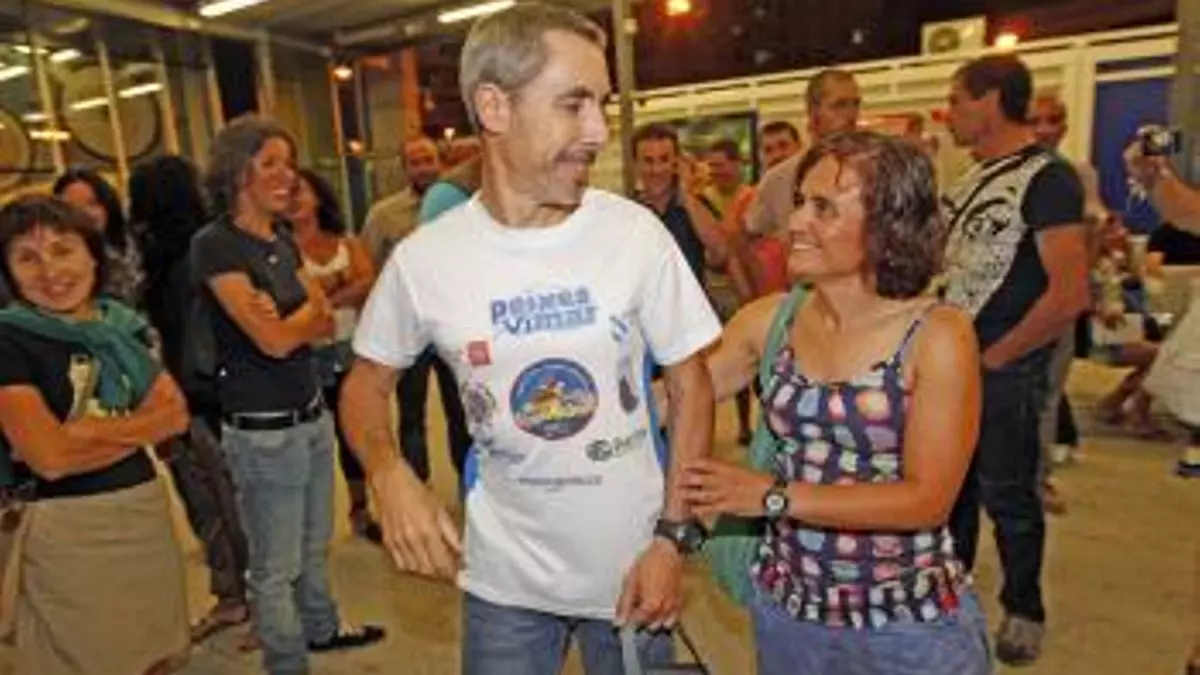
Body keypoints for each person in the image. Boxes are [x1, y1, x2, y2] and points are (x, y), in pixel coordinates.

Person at [340, 5, 720, 674]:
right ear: (494, 106)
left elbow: (692, 384)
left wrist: (672, 537)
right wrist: (387, 470)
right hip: (502, 586)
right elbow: (365, 386)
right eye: (574, 104)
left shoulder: (634, 234)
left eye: (601, 105)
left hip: (634, 568)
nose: (599, 130)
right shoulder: (426, 260)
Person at [674, 130, 989, 675]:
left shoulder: (937, 335)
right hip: (788, 619)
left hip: (906, 626)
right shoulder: (773, 320)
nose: (796, 222)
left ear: (888, 225)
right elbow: (677, 397)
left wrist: (772, 496)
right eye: (800, 202)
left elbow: (926, 500)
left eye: (823, 208)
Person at [191, 115, 384, 675]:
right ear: (237, 171)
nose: (287, 175)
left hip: (311, 415)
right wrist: (292, 321)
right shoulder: (216, 245)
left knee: (315, 541)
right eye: (270, 163)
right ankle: (286, 660)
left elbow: (322, 319)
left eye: (289, 163)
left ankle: (321, 628)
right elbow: (273, 340)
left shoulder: (278, 239)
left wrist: (287, 317)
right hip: (263, 430)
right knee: (275, 567)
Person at [0, 195, 191, 675]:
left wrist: (89, 432)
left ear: (92, 255)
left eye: (63, 250)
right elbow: (49, 460)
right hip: (66, 529)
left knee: (154, 652)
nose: (50, 271)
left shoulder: (120, 327)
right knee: (88, 657)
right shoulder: (9, 340)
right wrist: (140, 428)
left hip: (143, 510)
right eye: (27, 258)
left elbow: (175, 418)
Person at [942, 55, 1091, 666]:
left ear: (991, 99)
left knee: (1009, 496)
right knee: (949, 494)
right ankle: (949, 601)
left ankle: (1024, 608)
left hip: (1004, 370)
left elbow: (1069, 294)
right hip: (955, 368)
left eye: (957, 100)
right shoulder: (969, 179)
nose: (949, 113)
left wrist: (996, 358)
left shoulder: (1048, 178)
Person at [128, 155, 252, 644]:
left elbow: (183, 338)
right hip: (208, 397)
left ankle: (243, 599)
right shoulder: (202, 249)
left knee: (218, 502)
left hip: (197, 400)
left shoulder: (175, 264)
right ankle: (240, 595)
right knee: (221, 501)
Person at [288, 168, 381, 541]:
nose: (294, 199)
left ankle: (360, 508)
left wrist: (325, 295)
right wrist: (341, 288)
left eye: (300, 190)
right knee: (313, 438)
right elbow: (292, 300)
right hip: (306, 356)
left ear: (318, 196)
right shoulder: (280, 250)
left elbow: (367, 282)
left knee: (355, 432)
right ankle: (312, 518)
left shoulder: (346, 242)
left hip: (351, 349)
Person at [746, 68, 861, 239]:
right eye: (840, 105)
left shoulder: (871, 169)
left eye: (856, 104)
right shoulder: (777, 179)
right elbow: (750, 238)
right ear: (812, 111)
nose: (851, 114)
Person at [52, 169, 145, 308]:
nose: (83, 213)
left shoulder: (135, 245)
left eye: (92, 203)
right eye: (71, 207)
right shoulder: (57, 264)